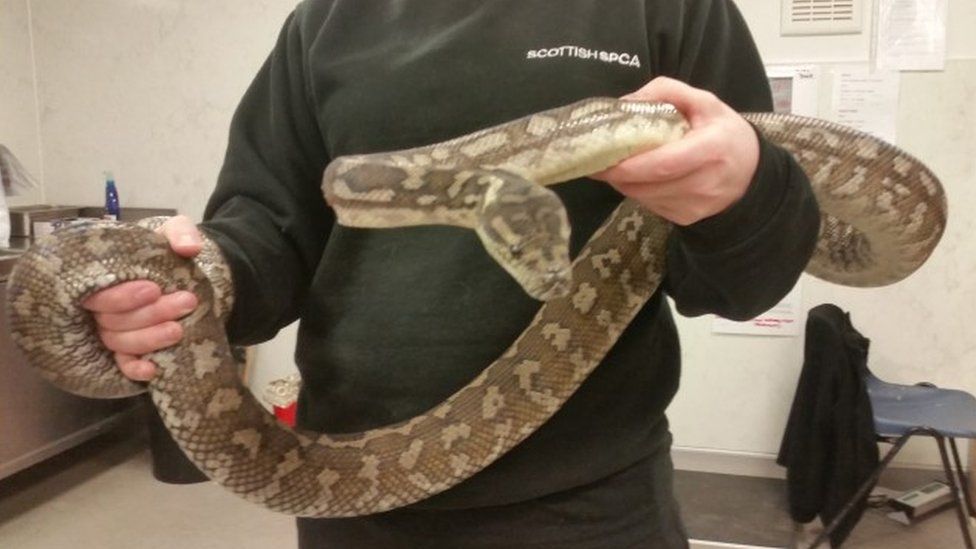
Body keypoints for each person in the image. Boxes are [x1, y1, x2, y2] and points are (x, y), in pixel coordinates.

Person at [82, 1, 820, 547]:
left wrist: (748, 190)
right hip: (348, 503)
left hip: (586, 503)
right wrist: (191, 277)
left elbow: (742, 281)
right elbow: (268, 233)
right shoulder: (326, 21)